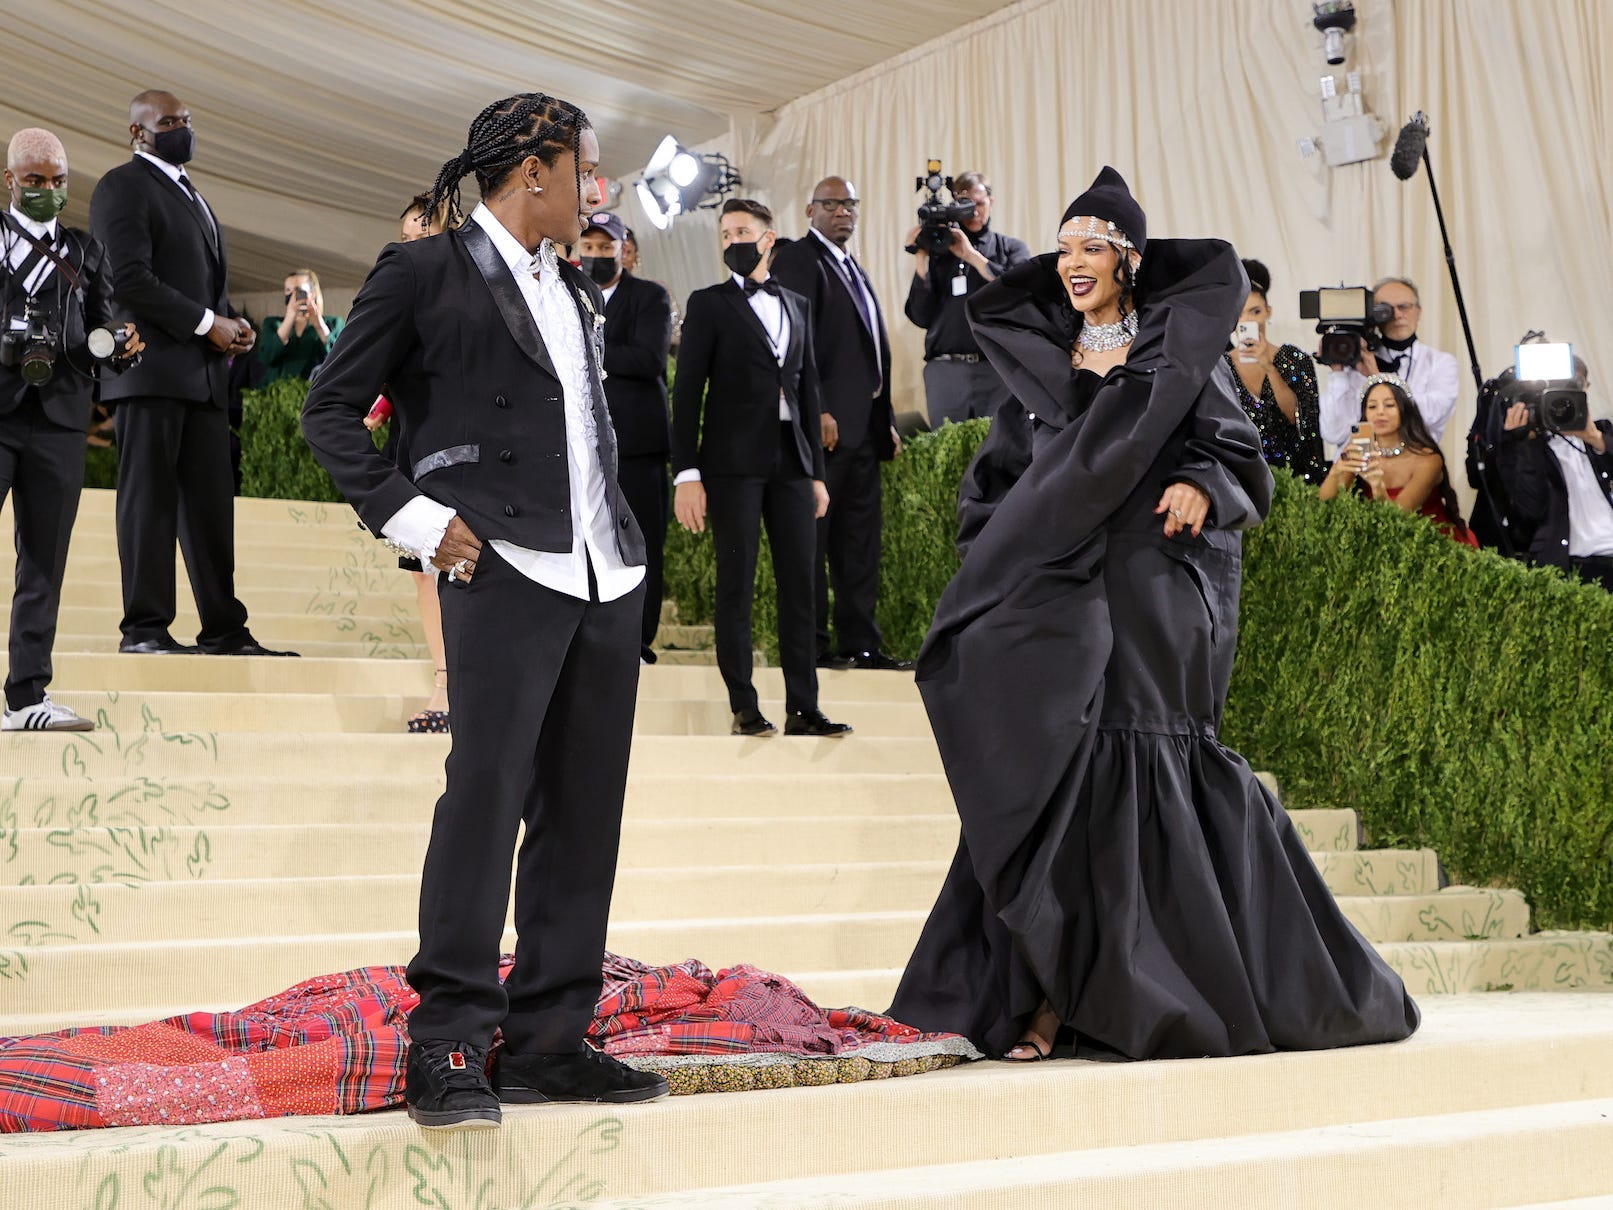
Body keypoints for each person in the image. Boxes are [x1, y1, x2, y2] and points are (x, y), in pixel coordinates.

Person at [887, 167, 1420, 1063]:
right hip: (1057, 588)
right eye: (1061, 250)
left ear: (1128, 260)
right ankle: (1043, 992)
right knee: (1055, 771)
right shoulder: (1039, 369)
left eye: (1089, 248)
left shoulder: (1176, 360)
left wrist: (1196, 483)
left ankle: (1087, 1001)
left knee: (1129, 757)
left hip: (1151, 586)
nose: (1071, 264)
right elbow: (994, 484)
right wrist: (993, 549)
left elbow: (1239, 460)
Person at [302, 92, 668, 1129]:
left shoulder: (579, 288)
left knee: (581, 812)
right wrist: (412, 516)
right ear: (534, 171)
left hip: (604, 574)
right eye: (585, 169)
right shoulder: (422, 271)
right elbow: (329, 409)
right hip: (500, 562)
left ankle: (550, 1039)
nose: (596, 192)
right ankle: (449, 1041)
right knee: (485, 798)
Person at [90, 90, 294, 657]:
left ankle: (224, 629)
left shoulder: (190, 193)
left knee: (210, 508)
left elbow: (196, 280)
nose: (183, 129)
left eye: (187, 120)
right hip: (149, 372)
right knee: (148, 503)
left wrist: (230, 323)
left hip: (203, 379)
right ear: (138, 133)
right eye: (170, 122)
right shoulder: (120, 186)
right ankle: (146, 630)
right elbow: (127, 278)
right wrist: (208, 324)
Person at [671, 198, 850, 738]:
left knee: (802, 583)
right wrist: (687, 473)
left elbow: (809, 388)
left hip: (792, 462)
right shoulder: (708, 304)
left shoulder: (796, 303)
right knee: (737, 583)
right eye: (725, 234)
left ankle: (804, 706)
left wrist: (816, 473)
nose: (732, 241)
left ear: (769, 238)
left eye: (742, 231)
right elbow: (686, 394)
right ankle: (744, 705)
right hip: (731, 464)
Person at [2, 128, 144, 732]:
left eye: (58, 182)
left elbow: (101, 327)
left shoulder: (86, 251)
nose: (48, 191)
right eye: (36, 181)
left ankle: (26, 696)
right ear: (11, 180)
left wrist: (120, 347)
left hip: (60, 421)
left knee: (44, 561)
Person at [771, 176, 907, 672]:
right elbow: (795, 342)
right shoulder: (799, 260)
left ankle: (861, 644)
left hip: (865, 428)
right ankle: (812, 646)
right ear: (810, 210)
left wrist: (884, 415)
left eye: (850, 203)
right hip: (824, 429)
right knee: (816, 542)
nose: (843, 211)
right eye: (832, 204)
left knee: (859, 543)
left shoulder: (851, 265)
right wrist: (819, 408)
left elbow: (871, 351)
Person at [363, 194, 460, 733]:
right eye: (408, 237)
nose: (415, 246)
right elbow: (385, 363)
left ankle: (476, 685)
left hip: (472, 454)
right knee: (426, 572)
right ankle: (444, 685)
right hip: (414, 450)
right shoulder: (396, 292)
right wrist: (376, 407)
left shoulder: (477, 289)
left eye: (426, 234)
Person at [578, 210, 673, 664]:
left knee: (642, 539)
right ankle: (596, 631)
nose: (596, 255)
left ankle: (639, 637)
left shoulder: (649, 296)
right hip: (583, 441)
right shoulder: (567, 292)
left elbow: (648, 359)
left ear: (624, 249)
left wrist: (584, 350)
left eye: (605, 247)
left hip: (638, 443)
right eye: (589, 247)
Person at [902, 171, 1030, 427]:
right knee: (949, 457)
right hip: (946, 372)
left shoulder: (1009, 248)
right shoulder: (939, 253)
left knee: (998, 452)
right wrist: (921, 259)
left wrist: (971, 256)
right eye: (965, 206)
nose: (973, 213)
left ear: (991, 202)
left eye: (979, 204)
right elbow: (920, 316)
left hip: (997, 369)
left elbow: (1021, 294)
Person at [1495, 357, 1613, 587]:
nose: (1563, 398)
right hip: (1570, 566)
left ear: (1587, 389)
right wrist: (1524, 443)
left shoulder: (1603, 432)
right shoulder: (1526, 446)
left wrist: (1595, 439)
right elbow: (1529, 510)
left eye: (1574, 386)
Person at [1319, 375, 1477, 545]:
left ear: (1404, 409)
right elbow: (1324, 506)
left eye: (1389, 405)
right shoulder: (1359, 449)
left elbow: (1399, 519)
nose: (1380, 412)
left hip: (1428, 543)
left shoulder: (1428, 459)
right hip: (1376, 542)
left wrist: (1377, 486)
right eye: (1372, 406)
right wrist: (1337, 470)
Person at [1319, 276, 1460, 448]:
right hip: (1361, 468)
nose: (1397, 315)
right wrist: (1338, 370)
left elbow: (1431, 416)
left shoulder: (1440, 362)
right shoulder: (1355, 362)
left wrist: (1377, 377)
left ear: (1419, 311)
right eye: (1385, 309)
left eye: (1404, 307)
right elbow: (1333, 433)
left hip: (1414, 468)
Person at [1224, 258, 1326, 485]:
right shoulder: (1220, 365)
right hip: (1241, 482)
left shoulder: (1294, 358)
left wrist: (1269, 367)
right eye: (1240, 313)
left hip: (1294, 479)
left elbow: (1300, 419)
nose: (1248, 320)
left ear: (1268, 312)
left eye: (1255, 311)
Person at [256, 268, 343, 384]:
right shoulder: (273, 323)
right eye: (288, 290)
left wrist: (318, 324)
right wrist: (289, 318)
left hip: (315, 392)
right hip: (277, 395)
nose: (293, 296)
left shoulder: (333, 323)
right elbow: (266, 357)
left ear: (312, 293)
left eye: (298, 291)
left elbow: (340, 358)